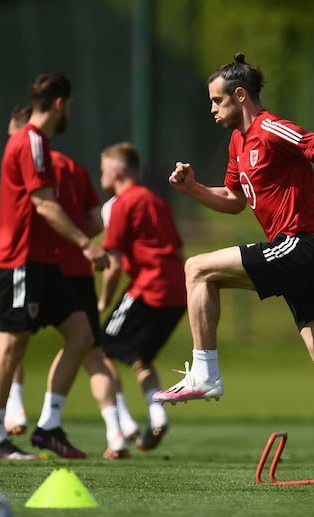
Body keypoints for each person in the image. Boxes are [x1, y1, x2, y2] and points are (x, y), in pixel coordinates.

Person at [153, 53, 314, 486]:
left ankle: (205, 372)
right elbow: (236, 199)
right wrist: (193, 189)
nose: (212, 109)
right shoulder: (238, 143)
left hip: (305, 247)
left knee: (198, 268)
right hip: (306, 257)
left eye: (217, 101)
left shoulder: (269, 128)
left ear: (240, 96)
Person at [0, 72, 108, 460]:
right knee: (10, 347)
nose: (68, 111)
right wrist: (86, 244)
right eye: (68, 105)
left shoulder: (36, 144)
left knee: (82, 333)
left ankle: (49, 427)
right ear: (59, 104)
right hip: (21, 261)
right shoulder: (32, 142)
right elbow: (44, 204)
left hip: (42, 263)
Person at [0, 105, 136, 459]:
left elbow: (33, 213)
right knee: (91, 352)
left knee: (14, 342)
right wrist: (80, 240)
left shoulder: (24, 159)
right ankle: (115, 432)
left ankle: (15, 415)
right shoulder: (73, 168)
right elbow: (94, 220)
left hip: (36, 263)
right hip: (74, 269)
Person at [97, 142, 187, 451]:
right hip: (178, 291)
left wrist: (103, 300)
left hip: (150, 287)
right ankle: (157, 414)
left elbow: (113, 263)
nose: (101, 177)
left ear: (117, 172)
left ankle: (122, 426)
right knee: (140, 358)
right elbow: (177, 246)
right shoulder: (158, 202)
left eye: (102, 170)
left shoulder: (124, 203)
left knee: (98, 349)